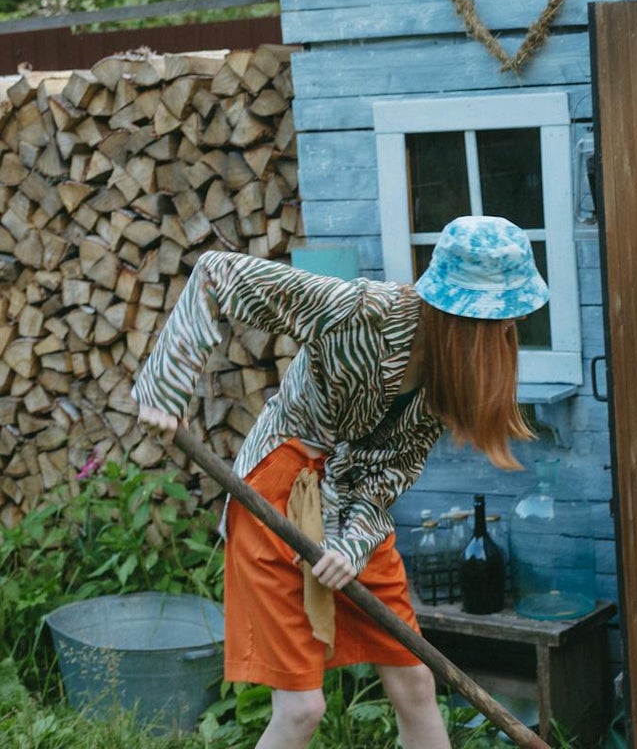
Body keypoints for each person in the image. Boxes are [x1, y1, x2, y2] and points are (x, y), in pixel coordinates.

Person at [132, 215, 545, 749]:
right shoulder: (363, 311)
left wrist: (352, 544)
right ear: (461, 317)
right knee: (302, 708)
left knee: (416, 678)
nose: (507, 336)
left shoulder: (441, 382)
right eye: (501, 323)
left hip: (352, 503)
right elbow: (217, 274)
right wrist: (166, 388)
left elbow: (388, 473)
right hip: (280, 487)